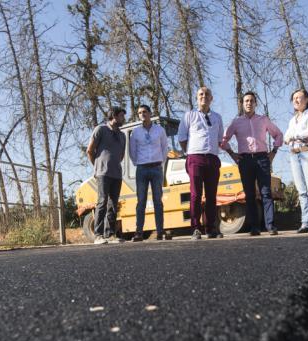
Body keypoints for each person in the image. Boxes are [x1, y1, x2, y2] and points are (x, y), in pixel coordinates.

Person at [221, 91, 283, 236]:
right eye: (246, 101)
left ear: (255, 103)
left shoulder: (263, 120)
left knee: (266, 193)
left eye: (251, 101)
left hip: (262, 158)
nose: (249, 103)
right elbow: (223, 140)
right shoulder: (236, 122)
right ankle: (254, 227)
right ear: (242, 104)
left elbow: (278, 134)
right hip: (245, 160)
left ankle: (270, 226)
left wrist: (273, 152)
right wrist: (232, 154)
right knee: (249, 195)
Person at [177, 87, 225, 240]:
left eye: (207, 94)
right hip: (195, 158)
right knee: (196, 194)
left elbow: (219, 139)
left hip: (212, 158)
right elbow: (182, 138)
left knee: (211, 195)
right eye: (201, 94)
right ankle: (195, 228)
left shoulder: (217, 117)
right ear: (197, 98)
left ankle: (211, 228)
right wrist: (191, 152)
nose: (204, 96)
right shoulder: (189, 116)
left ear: (211, 98)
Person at [284, 89, 308, 233]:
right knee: (301, 191)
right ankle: (305, 223)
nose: (295, 100)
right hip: (294, 155)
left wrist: (293, 136)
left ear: (306, 99)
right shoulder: (292, 120)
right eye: (293, 98)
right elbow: (285, 138)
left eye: (298, 97)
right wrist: (294, 136)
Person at [129, 104, 170, 241]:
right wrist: (138, 163)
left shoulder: (160, 130)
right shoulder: (135, 132)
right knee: (141, 201)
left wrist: (160, 162)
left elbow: (165, 147)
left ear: (150, 113)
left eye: (145, 112)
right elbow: (132, 151)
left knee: (158, 201)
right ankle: (139, 232)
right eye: (140, 113)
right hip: (141, 169)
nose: (142, 115)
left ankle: (160, 232)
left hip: (156, 168)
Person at [86, 107, 127, 244]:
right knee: (102, 202)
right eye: (121, 116)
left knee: (113, 205)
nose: (123, 119)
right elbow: (90, 150)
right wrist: (98, 167)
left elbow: (120, 156)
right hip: (103, 173)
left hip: (117, 174)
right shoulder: (101, 130)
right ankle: (98, 235)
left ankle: (110, 234)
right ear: (114, 116)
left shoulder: (122, 136)